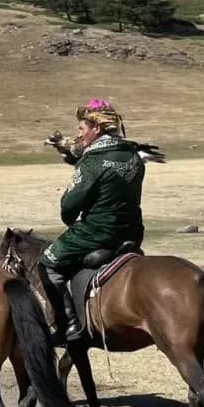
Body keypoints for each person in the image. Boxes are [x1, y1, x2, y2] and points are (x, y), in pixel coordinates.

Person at [37, 100, 149, 344]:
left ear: (96, 129)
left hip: (98, 232)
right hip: (132, 231)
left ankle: (69, 326)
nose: (79, 134)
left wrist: (70, 220)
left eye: (81, 129)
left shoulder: (92, 161)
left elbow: (70, 205)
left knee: (47, 263)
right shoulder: (132, 156)